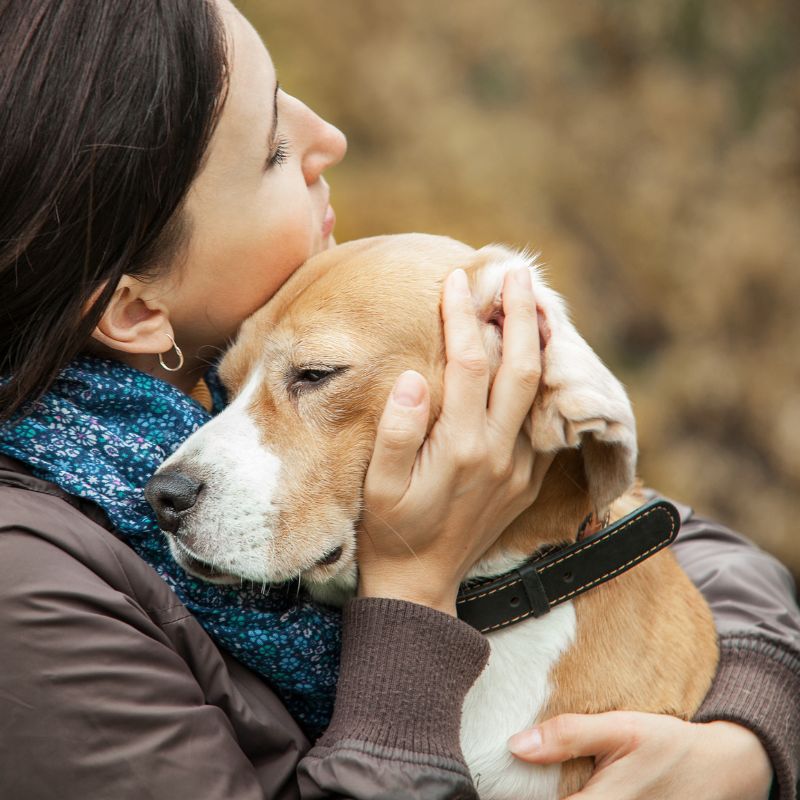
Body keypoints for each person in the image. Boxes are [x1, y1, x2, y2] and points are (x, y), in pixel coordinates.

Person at [0, 1, 797, 798]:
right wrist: (414, 587)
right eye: (273, 149)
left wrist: (745, 734)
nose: (329, 140)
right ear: (136, 309)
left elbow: (667, 533)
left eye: (307, 378)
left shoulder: (245, 375)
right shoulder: (30, 589)